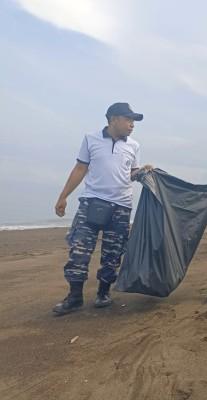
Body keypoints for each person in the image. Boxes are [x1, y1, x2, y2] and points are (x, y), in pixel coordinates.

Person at [53, 103, 153, 315]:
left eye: (133, 121)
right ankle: (74, 297)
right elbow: (80, 168)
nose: (132, 124)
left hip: (121, 206)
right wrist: (63, 197)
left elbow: (131, 173)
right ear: (113, 119)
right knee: (79, 251)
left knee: (113, 254)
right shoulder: (91, 139)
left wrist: (142, 171)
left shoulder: (134, 145)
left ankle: (103, 293)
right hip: (92, 203)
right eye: (128, 119)